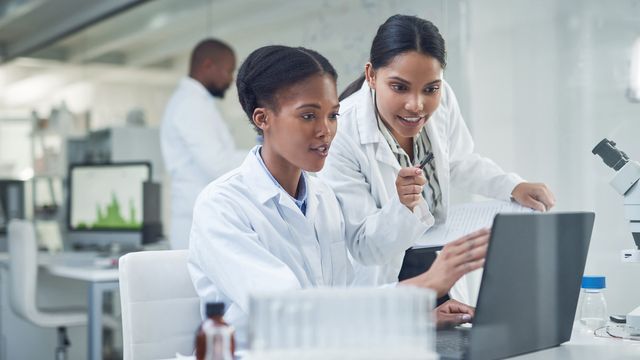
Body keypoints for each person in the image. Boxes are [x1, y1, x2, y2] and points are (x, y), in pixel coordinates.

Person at [188, 45, 490, 350]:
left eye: (333, 116)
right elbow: (289, 313)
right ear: (263, 118)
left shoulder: (322, 198)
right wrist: (424, 285)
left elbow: (345, 300)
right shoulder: (222, 206)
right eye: (308, 116)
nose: (326, 131)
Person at [318, 14, 556, 290]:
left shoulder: (443, 98)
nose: (416, 105)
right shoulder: (342, 131)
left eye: (431, 88)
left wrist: (512, 186)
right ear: (372, 75)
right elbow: (363, 247)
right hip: (385, 282)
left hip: (437, 264)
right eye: (399, 87)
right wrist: (403, 206)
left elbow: (458, 161)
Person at [161, 38, 248, 249]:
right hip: (195, 223)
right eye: (228, 71)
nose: (230, 80)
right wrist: (269, 154)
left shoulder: (196, 103)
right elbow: (218, 165)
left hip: (201, 219)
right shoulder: (190, 105)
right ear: (208, 65)